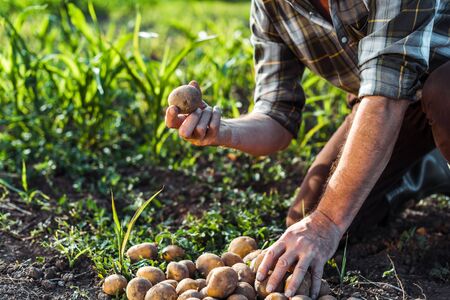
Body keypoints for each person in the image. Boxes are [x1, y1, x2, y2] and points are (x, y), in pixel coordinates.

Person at [165, 0, 450, 298]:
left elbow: (386, 96)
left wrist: (325, 224)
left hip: (430, 85)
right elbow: (276, 114)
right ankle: (426, 167)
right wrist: (222, 130)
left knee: (444, 95)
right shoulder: (270, 6)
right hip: (389, 105)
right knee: (309, 214)